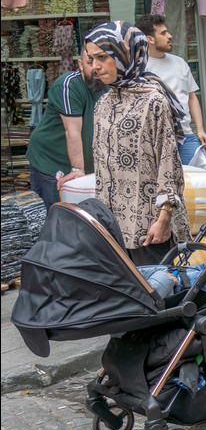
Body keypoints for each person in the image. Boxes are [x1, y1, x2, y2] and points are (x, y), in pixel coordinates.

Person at [84, 21, 190, 266]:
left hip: (149, 226)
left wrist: (163, 219)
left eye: (102, 57)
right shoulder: (102, 105)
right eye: (91, 58)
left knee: (158, 293)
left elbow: (168, 165)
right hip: (113, 227)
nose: (95, 66)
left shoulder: (153, 101)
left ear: (125, 54)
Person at [24, 52, 106, 209]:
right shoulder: (68, 85)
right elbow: (72, 130)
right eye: (90, 62)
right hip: (52, 161)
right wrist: (77, 170)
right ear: (80, 64)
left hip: (88, 166)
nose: (96, 67)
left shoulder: (109, 82)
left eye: (102, 60)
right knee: (57, 218)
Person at [136, 13, 206, 169]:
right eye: (163, 33)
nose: (169, 36)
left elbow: (192, 97)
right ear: (150, 39)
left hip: (186, 135)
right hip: (156, 139)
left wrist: (200, 129)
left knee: (203, 173)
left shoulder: (180, 62)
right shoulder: (139, 68)